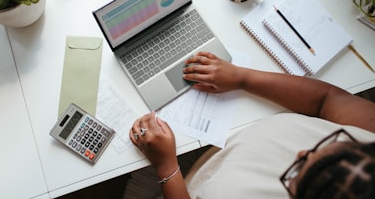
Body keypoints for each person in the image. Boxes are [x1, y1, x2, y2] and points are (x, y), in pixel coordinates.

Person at [129, 51, 375, 199]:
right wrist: (242, 78)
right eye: (335, 141)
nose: (301, 152)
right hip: (226, 145)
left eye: (298, 172)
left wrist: (167, 167)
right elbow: (328, 100)